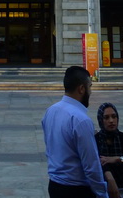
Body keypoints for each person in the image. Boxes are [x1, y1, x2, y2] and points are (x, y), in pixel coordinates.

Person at [41, 65, 107, 198]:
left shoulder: (50, 111)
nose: (91, 91)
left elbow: (49, 148)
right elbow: (91, 164)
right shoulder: (80, 119)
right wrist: (102, 193)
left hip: (54, 185)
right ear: (82, 89)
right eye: (90, 87)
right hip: (76, 190)